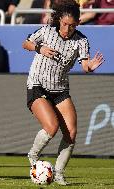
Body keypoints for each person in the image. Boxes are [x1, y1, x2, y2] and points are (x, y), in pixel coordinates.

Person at [22, 0, 104, 185]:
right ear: (59, 20)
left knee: (71, 133)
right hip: (37, 85)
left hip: (60, 90)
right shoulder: (46, 31)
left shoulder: (81, 41)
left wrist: (90, 67)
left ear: (78, 23)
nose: (67, 29)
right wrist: (39, 48)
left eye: (72, 25)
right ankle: (33, 155)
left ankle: (58, 172)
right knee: (51, 127)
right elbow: (25, 43)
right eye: (65, 24)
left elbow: (85, 65)